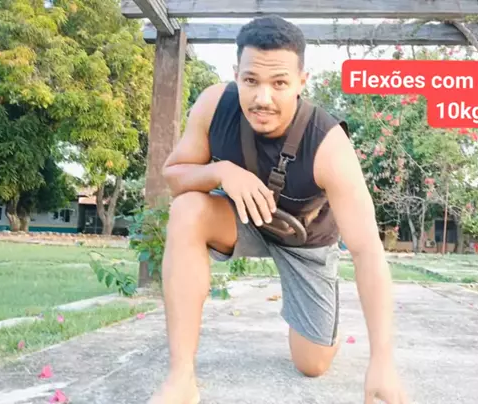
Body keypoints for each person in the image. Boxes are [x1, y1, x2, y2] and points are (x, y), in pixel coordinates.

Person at [149, 15, 408, 404]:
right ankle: (181, 377)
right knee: (186, 210)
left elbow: (367, 250)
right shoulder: (214, 105)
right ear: (236, 75)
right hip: (242, 219)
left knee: (312, 364)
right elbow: (174, 176)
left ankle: (324, 330)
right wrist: (221, 171)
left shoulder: (328, 145)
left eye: (280, 83)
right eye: (251, 80)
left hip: (307, 242)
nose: (263, 98)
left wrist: (382, 362)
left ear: (302, 82)